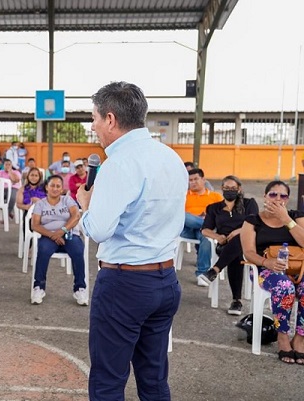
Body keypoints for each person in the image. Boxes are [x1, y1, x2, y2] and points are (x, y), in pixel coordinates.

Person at [77, 82, 186, 400]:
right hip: (165, 280)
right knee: (153, 380)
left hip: (125, 283)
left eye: (95, 118)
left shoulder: (118, 165)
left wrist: (86, 204)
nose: (93, 126)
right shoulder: (170, 158)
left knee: (108, 382)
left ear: (110, 119)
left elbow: (98, 230)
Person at [241, 180, 304, 365]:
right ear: (265, 197)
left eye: (283, 195)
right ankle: (283, 336)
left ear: (288, 199)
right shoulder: (253, 220)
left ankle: (300, 338)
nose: (278, 199)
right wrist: (266, 262)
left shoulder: (296, 217)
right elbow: (248, 251)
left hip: (298, 269)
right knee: (284, 287)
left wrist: (286, 220)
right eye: (273, 194)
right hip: (265, 270)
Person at [199, 175, 259, 315]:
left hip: (249, 245)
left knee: (238, 240)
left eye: (233, 188)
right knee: (235, 251)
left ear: (239, 189)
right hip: (224, 245)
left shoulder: (249, 204)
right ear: (222, 189)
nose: (229, 191)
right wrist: (217, 236)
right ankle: (236, 301)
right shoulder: (214, 208)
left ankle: (214, 270)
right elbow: (205, 229)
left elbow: (255, 222)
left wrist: (238, 231)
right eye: (226, 188)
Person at [31, 175, 87, 305]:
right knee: (43, 250)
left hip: (68, 234)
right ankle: (38, 287)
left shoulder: (67, 200)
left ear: (62, 189)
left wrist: (61, 231)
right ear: (46, 187)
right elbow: (35, 225)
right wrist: (53, 235)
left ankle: (80, 288)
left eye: (58, 186)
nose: (55, 189)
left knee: (78, 251)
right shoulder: (40, 204)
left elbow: (76, 216)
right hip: (48, 236)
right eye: (52, 186)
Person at [183, 168, 224, 286]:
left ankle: (202, 274)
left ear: (203, 180)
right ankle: (205, 226)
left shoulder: (215, 196)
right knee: (184, 216)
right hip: (187, 229)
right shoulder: (184, 196)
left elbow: (222, 214)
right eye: (190, 180)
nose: (193, 182)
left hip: (205, 230)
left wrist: (209, 217)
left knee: (205, 236)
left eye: (196, 179)